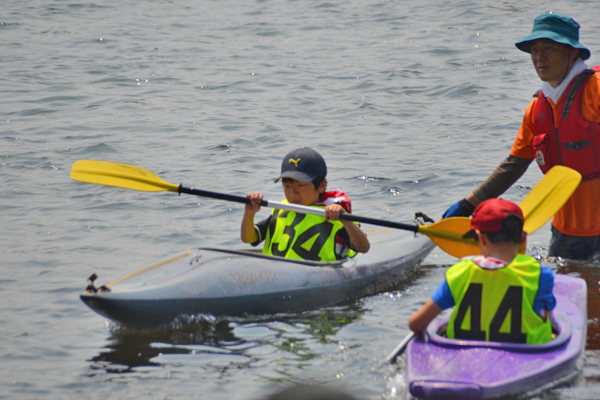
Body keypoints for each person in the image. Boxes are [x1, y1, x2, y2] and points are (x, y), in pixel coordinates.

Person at [442, 13, 600, 260]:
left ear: (572, 52)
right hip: (566, 232)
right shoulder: (537, 109)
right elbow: (515, 164)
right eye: (534, 50)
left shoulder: (596, 91)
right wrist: (467, 206)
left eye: (548, 48)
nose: (539, 57)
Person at [410, 199, 555, 344]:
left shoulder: (460, 272)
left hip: (464, 354)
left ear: (482, 239)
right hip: (526, 356)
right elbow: (546, 319)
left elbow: (416, 324)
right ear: (523, 238)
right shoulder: (540, 275)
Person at [241, 147, 370, 261]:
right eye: (287, 186)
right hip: (273, 274)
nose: (293, 193)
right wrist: (249, 214)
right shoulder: (281, 209)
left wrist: (346, 220)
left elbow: (363, 247)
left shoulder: (334, 214)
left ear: (322, 185)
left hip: (318, 277)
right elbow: (249, 238)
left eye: (300, 185)